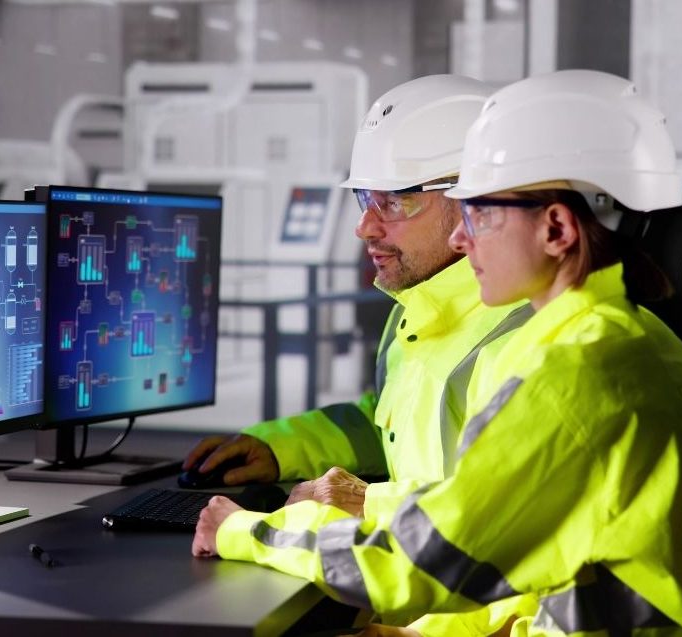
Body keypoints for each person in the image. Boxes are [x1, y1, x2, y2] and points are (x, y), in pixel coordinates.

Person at [192, 69, 682, 635]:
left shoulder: (570, 370)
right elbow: (491, 507)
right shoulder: (619, 335)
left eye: (478, 212)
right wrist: (360, 498)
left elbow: (421, 568)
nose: (460, 234)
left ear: (556, 229)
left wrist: (244, 530)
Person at [185, 74, 534, 635]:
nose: (364, 226)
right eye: (363, 198)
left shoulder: (529, 339)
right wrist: (280, 449)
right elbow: (395, 428)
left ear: (476, 201)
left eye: (395, 200)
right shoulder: (416, 314)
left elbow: (509, 561)